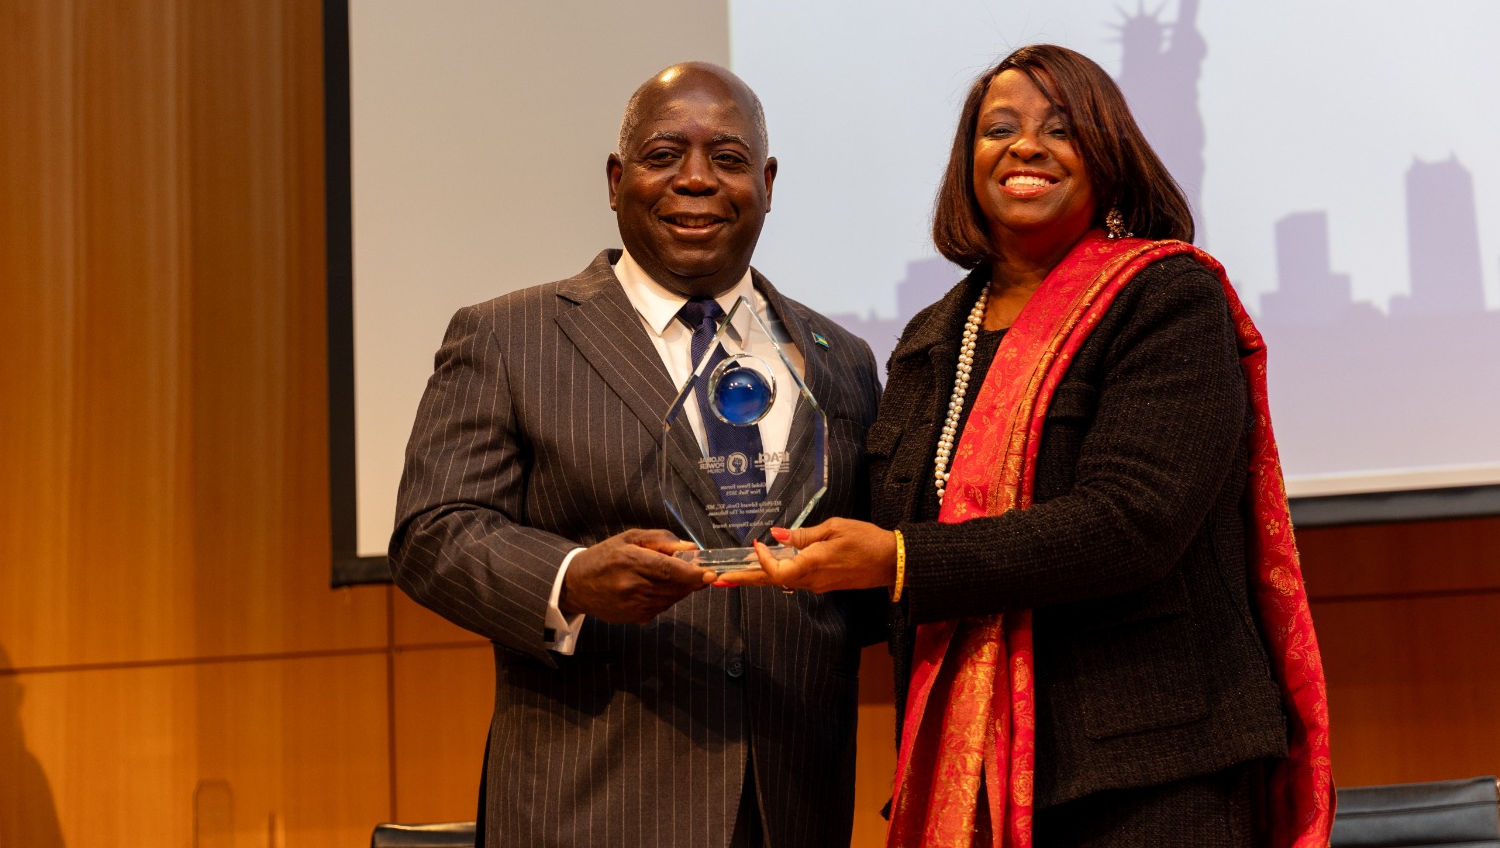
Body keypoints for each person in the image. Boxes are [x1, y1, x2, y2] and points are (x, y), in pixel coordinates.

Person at [727, 45, 1333, 846]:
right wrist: (736, 540)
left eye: (1062, 128)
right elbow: (880, 539)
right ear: (967, 162)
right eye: (998, 128)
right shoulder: (930, 339)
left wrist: (898, 560)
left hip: (1153, 770)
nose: (1025, 146)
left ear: (1109, 158)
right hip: (967, 762)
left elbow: (1132, 525)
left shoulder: (1167, 298)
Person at [389, 62, 881, 848]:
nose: (695, 180)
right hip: (592, 807)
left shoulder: (841, 357)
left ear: (768, 180)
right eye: (663, 156)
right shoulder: (509, 337)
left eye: (726, 158)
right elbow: (431, 534)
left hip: (789, 808)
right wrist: (571, 579)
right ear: (617, 181)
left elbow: (861, 583)